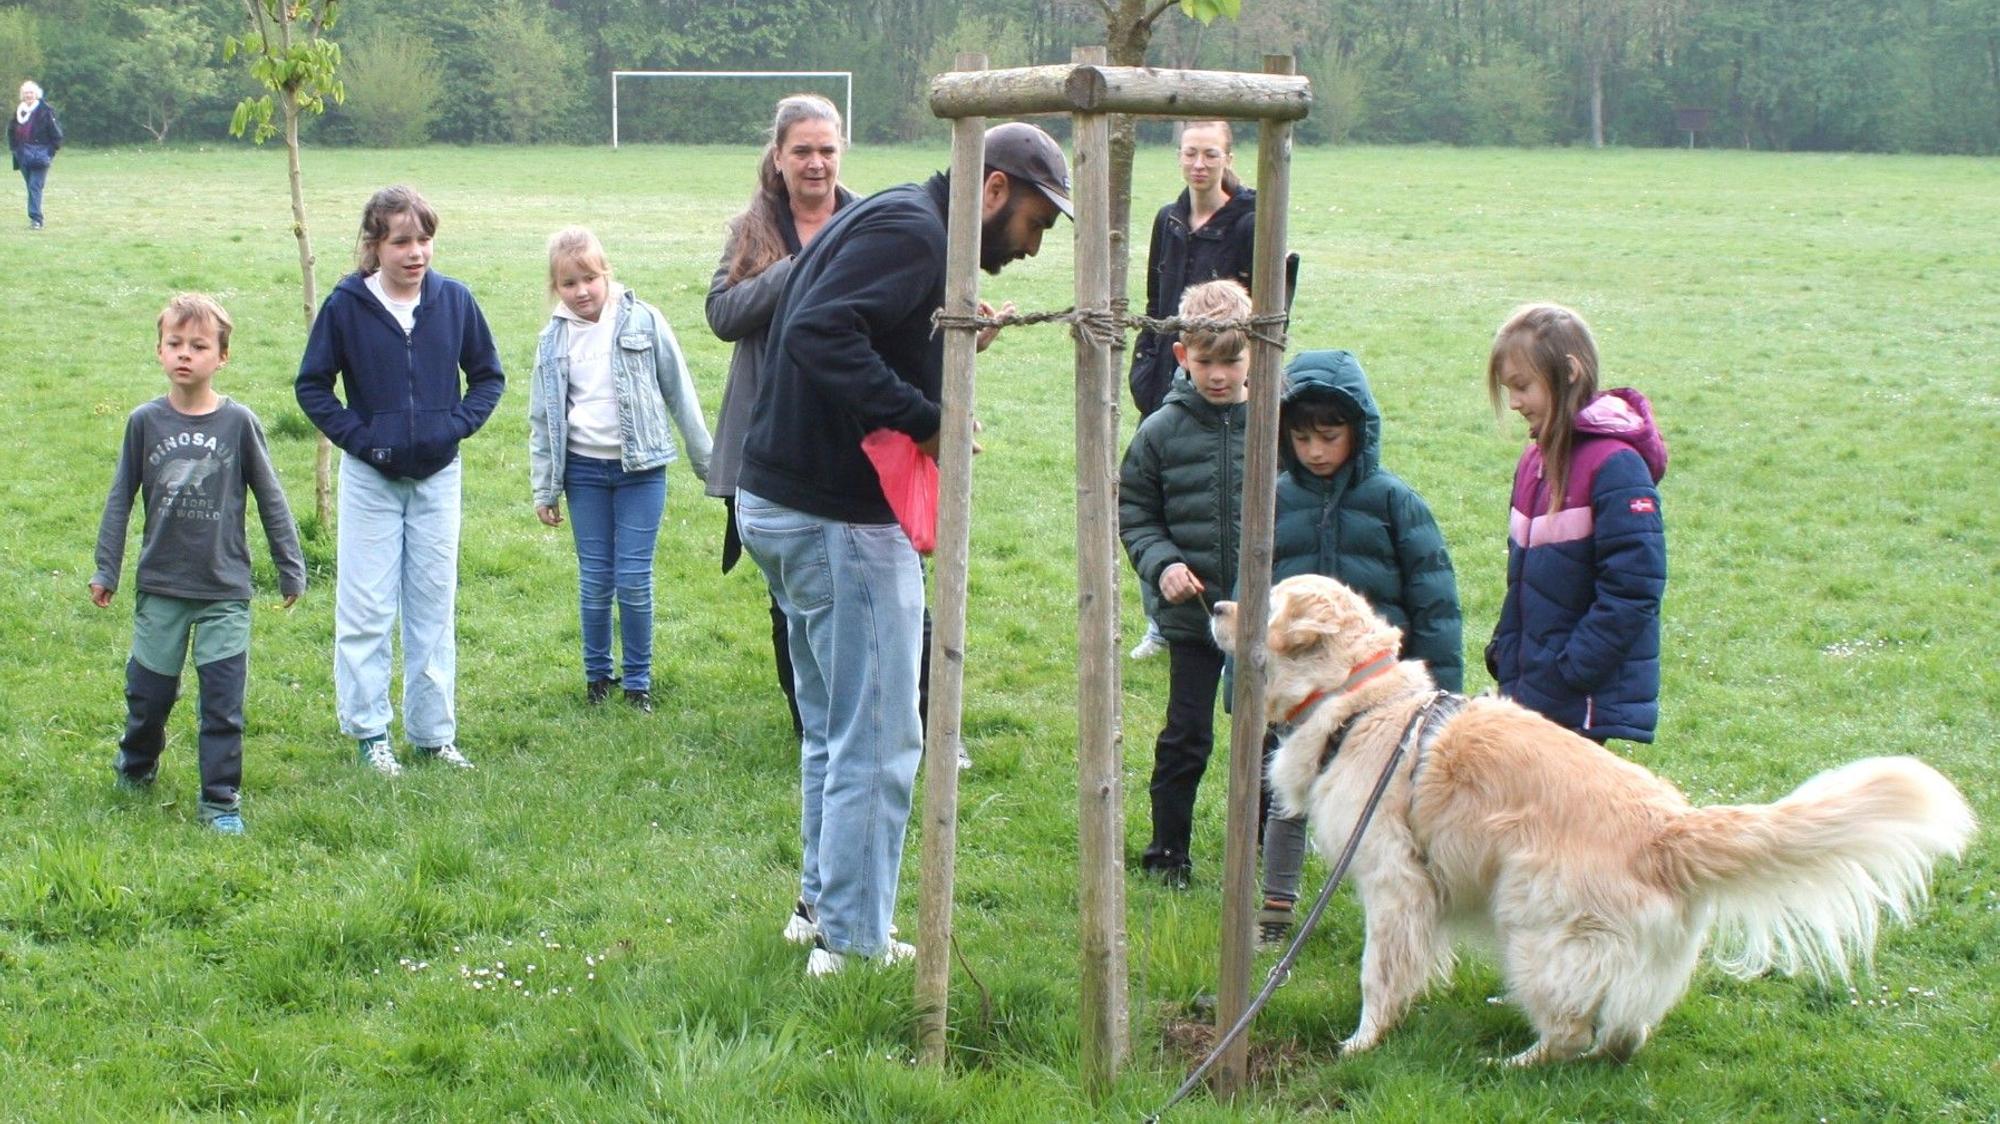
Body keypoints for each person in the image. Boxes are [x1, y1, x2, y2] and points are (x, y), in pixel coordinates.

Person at [735, 120, 1070, 976]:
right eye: (1037, 220)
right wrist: (932, 422)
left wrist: (940, 345)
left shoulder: (902, 218)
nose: (1035, 246)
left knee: (832, 725)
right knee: (881, 737)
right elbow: (817, 331)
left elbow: (857, 326)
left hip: (782, 499)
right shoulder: (916, 234)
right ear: (992, 190)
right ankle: (849, 944)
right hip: (834, 515)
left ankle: (820, 908)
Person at [1252, 348, 1463, 946]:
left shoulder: (1396, 503)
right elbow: (1250, 600)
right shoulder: (1272, 500)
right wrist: (1243, 685)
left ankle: (1402, 903)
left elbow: (1434, 600)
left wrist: (1443, 691)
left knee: (1381, 803)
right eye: (1301, 437)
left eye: (1330, 435)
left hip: (1376, 697)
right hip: (1296, 692)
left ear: (1359, 431)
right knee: (1286, 795)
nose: (1315, 450)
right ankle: (1275, 911)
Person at [296, 185, 505, 776]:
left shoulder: (455, 302)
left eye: (424, 239)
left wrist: (454, 429)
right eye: (402, 241)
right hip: (370, 479)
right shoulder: (346, 307)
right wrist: (361, 440)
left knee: (432, 607)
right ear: (374, 245)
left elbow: (487, 377)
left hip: (438, 476)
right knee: (365, 608)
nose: (416, 253)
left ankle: (434, 735)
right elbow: (313, 385)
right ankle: (369, 734)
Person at [91, 294, 307, 834]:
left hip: (224, 591)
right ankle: (135, 767)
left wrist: (290, 566)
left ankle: (219, 803)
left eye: (199, 346)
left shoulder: (239, 424)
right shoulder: (145, 422)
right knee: (149, 696)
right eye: (174, 344)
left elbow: (271, 498)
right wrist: (106, 569)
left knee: (222, 706)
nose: (185, 355)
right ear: (160, 351)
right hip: (161, 587)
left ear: (222, 357)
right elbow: (120, 499)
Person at [706, 94, 855, 737]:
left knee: (856, 585)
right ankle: (808, 726)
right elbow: (722, 315)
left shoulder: (866, 221)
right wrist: (795, 271)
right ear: (779, 156)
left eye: (826, 149)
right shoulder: (753, 230)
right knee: (788, 594)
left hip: (850, 433)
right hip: (771, 435)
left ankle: (869, 713)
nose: (816, 163)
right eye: (803, 150)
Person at [530, 226, 712, 713]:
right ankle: (596, 677)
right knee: (595, 580)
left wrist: (708, 464)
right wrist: (544, 488)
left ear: (606, 274)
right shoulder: (553, 340)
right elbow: (542, 417)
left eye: (590, 278)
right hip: (584, 474)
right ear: (556, 288)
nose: (582, 291)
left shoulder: (642, 320)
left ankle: (638, 681)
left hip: (641, 471)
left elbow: (680, 392)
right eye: (569, 283)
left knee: (633, 577)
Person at [1117, 279, 1255, 889]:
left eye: (1232, 360)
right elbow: (1136, 513)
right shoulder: (1160, 431)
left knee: (1271, 736)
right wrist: (1163, 562)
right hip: (1196, 611)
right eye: (1205, 362)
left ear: (1257, 353)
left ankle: (1261, 848)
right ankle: (1167, 852)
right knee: (1187, 733)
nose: (1219, 375)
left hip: (1265, 613)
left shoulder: (1277, 423)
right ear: (1181, 356)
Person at [1485, 302, 1667, 745]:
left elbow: (1633, 590)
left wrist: (1570, 671)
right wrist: (1505, 651)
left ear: (1568, 372)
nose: (1514, 403)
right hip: (1534, 689)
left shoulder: (1616, 467)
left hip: (1576, 699)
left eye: (1523, 386)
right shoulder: (1534, 462)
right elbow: (1524, 579)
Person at [1127, 120, 1258, 662]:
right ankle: (1162, 620)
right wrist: (1147, 364)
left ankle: (1241, 613)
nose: (1199, 164)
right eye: (1189, 153)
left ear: (1227, 157)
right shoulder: (1170, 218)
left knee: (1216, 491)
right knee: (1158, 490)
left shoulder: (1249, 221)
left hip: (1223, 369)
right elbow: (1157, 297)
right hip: (1171, 369)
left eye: (1209, 154)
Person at [10, 80, 62, 230]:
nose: (28, 95)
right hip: (23, 155)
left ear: (36, 94)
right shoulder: (19, 111)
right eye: (26, 93)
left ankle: (36, 219)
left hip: (41, 155)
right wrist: (15, 149)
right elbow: (11, 131)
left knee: (35, 186)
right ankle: (35, 217)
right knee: (30, 185)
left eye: (31, 93)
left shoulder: (45, 110)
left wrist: (50, 152)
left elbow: (56, 134)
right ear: (22, 95)